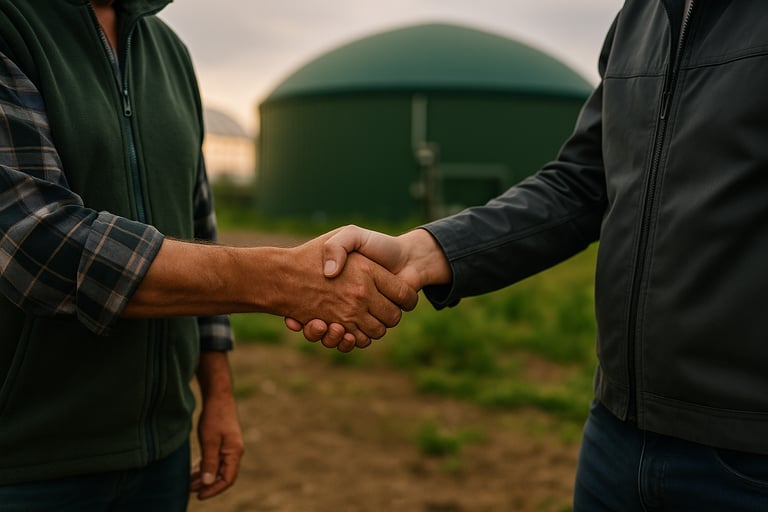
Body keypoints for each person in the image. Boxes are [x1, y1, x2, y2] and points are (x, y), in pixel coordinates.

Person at [289, 1, 768, 510]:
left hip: (749, 452)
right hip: (616, 433)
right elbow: (583, 183)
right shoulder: (643, 16)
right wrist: (423, 251)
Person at [0, 0, 416, 510]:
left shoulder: (168, 51)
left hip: (162, 450)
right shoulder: (11, 27)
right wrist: (283, 280)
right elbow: (37, 243)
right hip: (27, 461)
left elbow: (197, 226)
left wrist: (217, 393)